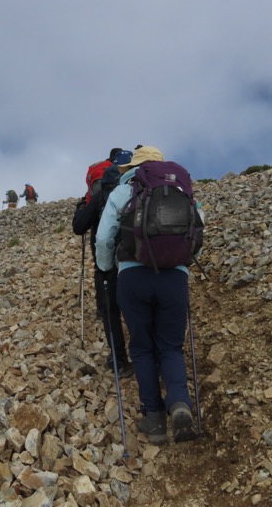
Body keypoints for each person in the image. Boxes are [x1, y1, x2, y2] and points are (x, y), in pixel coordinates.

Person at [95, 146, 198, 444]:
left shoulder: (123, 191)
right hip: (174, 277)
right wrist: (183, 262)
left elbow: (104, 238)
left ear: (135, 166)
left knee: (141, 347)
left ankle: (153, 419)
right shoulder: (182, 190)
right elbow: (198, 228)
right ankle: (179, 403)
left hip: (133, 275)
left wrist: (106, 269)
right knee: (171, 346)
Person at [72, 149, 134, 379]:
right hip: (135, 258)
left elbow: (79, 227)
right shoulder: (137, 188)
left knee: (111, 311)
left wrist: (80, 207)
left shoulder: (102, 191)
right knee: (135, 310)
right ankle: (147, 356)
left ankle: (120, 360)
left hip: (105, 262)